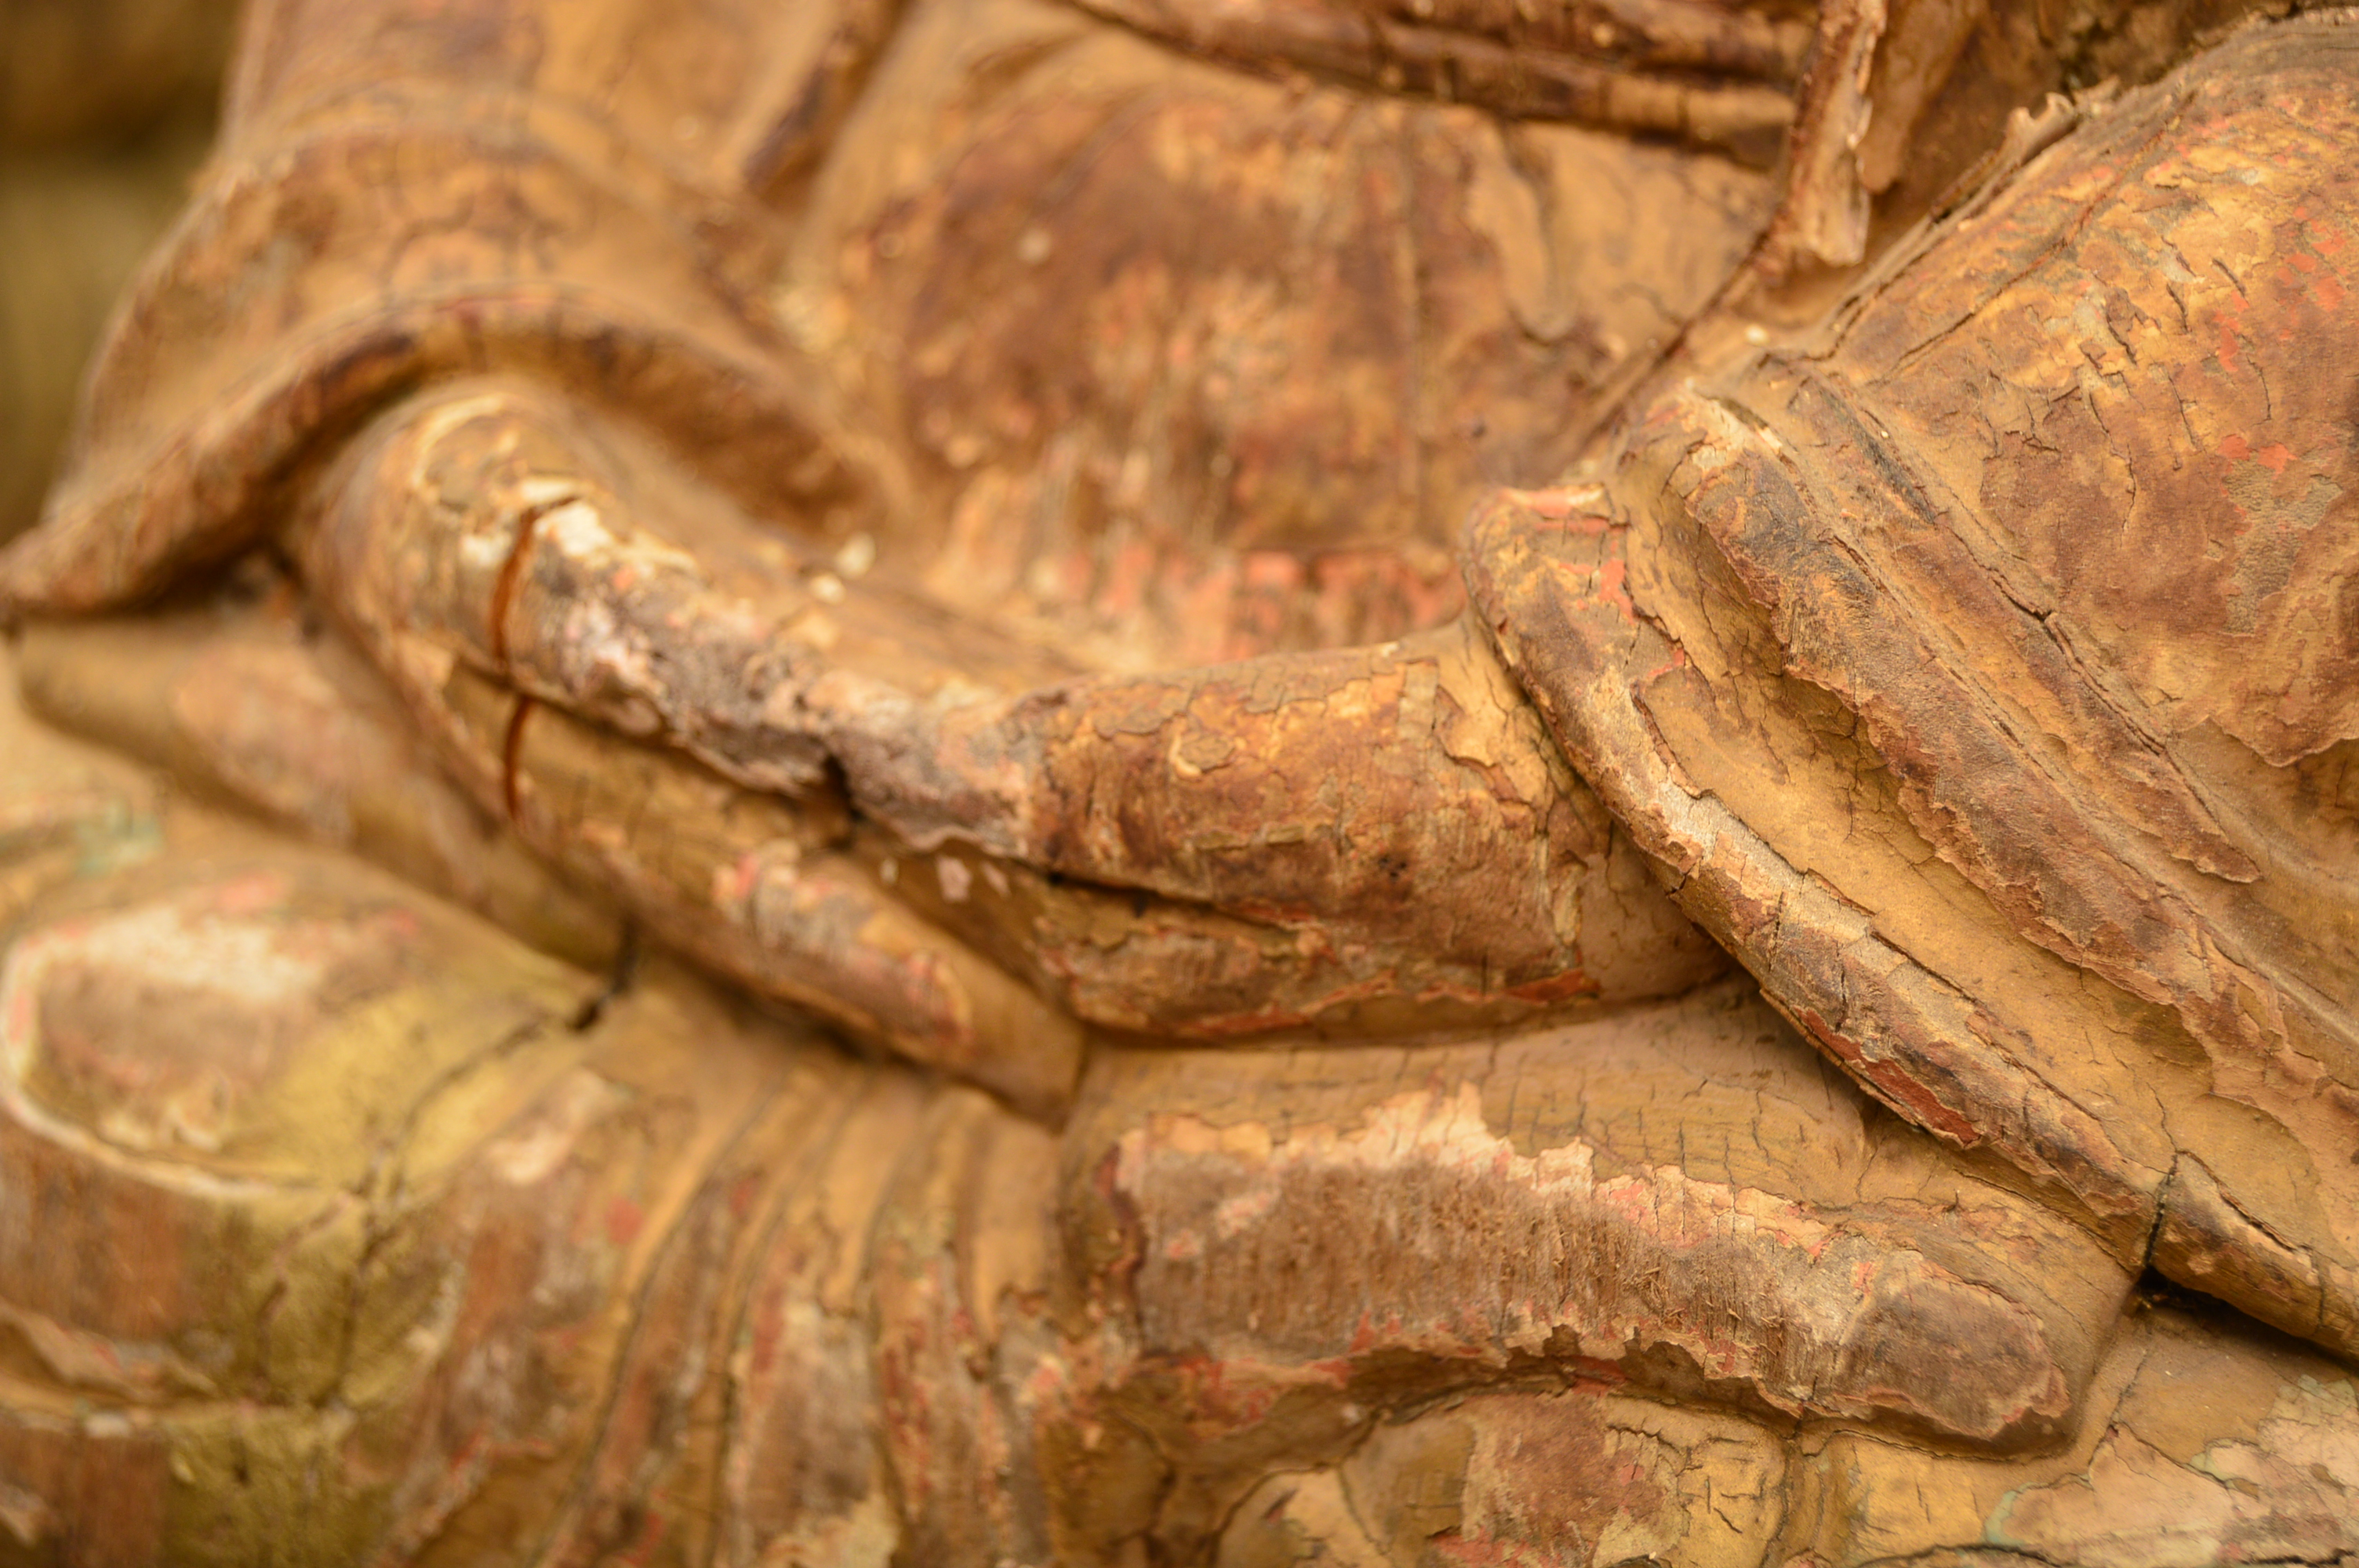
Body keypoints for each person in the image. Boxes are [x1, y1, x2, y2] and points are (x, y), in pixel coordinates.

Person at [2, 0, 2355, 1560]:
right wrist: (447, 338)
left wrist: (1768, 696)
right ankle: (1004, 1340)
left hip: (1923, 673)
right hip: (682, 480)